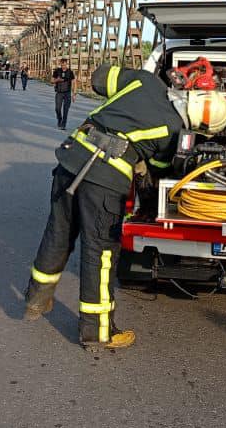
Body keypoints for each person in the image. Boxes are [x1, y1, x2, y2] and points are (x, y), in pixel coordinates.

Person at [23, 63, 203, 351]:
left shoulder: (146, 81)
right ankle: (97, 332)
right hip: (104, 183)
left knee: (59, 232)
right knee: (100, 253)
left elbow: (99, 79)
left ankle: (36, 299)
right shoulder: (174, 129)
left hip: (70, 159)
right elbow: (156, 174)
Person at [51, 58, 76, 129]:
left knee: (66, 109)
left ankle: (63, 125)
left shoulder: (70, 72)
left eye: (64, 65)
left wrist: (74, 94)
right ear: (60, 64)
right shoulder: (57, 71)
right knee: (57, 108)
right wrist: (57, 80)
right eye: (62, 65)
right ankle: (59, 119)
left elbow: (74, 83)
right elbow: (52, 81)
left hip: (67, 93)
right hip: (59, 93)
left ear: (66, 64)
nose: (63, 66)